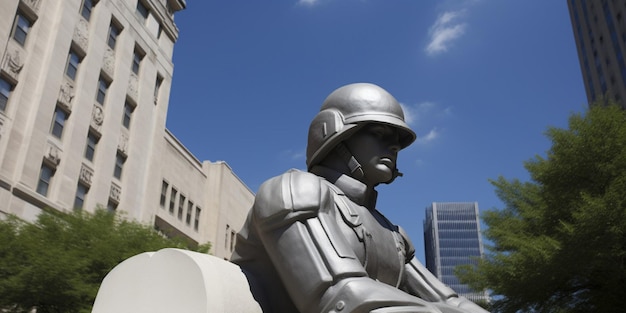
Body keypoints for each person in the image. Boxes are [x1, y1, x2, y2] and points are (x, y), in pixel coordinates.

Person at [231, 83, 488, 313]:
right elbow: (340, 298)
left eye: (398, 139)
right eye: (378, 133)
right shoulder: (293, 190)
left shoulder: (392, 233)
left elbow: (449, 300)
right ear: (333, 134)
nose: (395, 146)